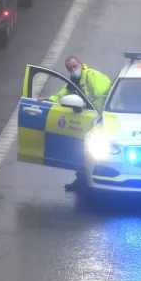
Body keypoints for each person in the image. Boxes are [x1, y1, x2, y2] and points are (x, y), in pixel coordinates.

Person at [39, 56, 112, 191]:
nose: (73, 70)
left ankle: (99, 178)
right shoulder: (74, 81)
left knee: (97, 151)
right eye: (70, 69)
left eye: (75, 66)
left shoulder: (92, 76)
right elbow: (62, 95)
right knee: (82, 149)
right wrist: (49, 100)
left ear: (82, 65)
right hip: (90, 119)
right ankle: (82, 178)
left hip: (103, 119)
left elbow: (101, 97)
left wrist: (86, 108)